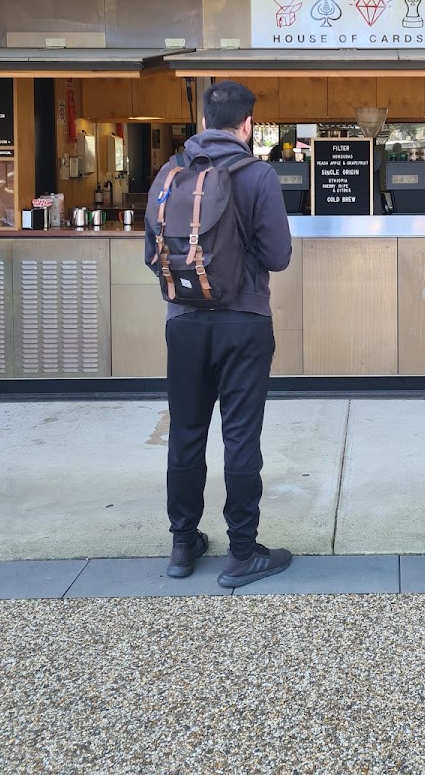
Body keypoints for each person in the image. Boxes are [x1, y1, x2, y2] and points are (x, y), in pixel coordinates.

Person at [145, 80, 293, 587]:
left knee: (186, 432)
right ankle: (242, 553)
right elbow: (278, 256)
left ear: (204, 121)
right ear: (247, 126)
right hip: (244, 322)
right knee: (240, 436)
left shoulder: (170, 172)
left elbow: (153, 254)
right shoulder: (259, 175)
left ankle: (182, 544)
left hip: (184, 323)